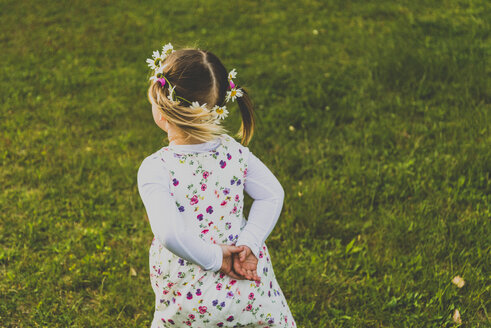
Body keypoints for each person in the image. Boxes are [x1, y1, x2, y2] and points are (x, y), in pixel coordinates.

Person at [137, 43, 296, 327]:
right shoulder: (233, 152)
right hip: (244, 282)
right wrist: (249, 242)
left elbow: (170, 233)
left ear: (162, 111)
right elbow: (272, 195)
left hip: (189, 293)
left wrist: (216, 259)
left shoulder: (156, 168)